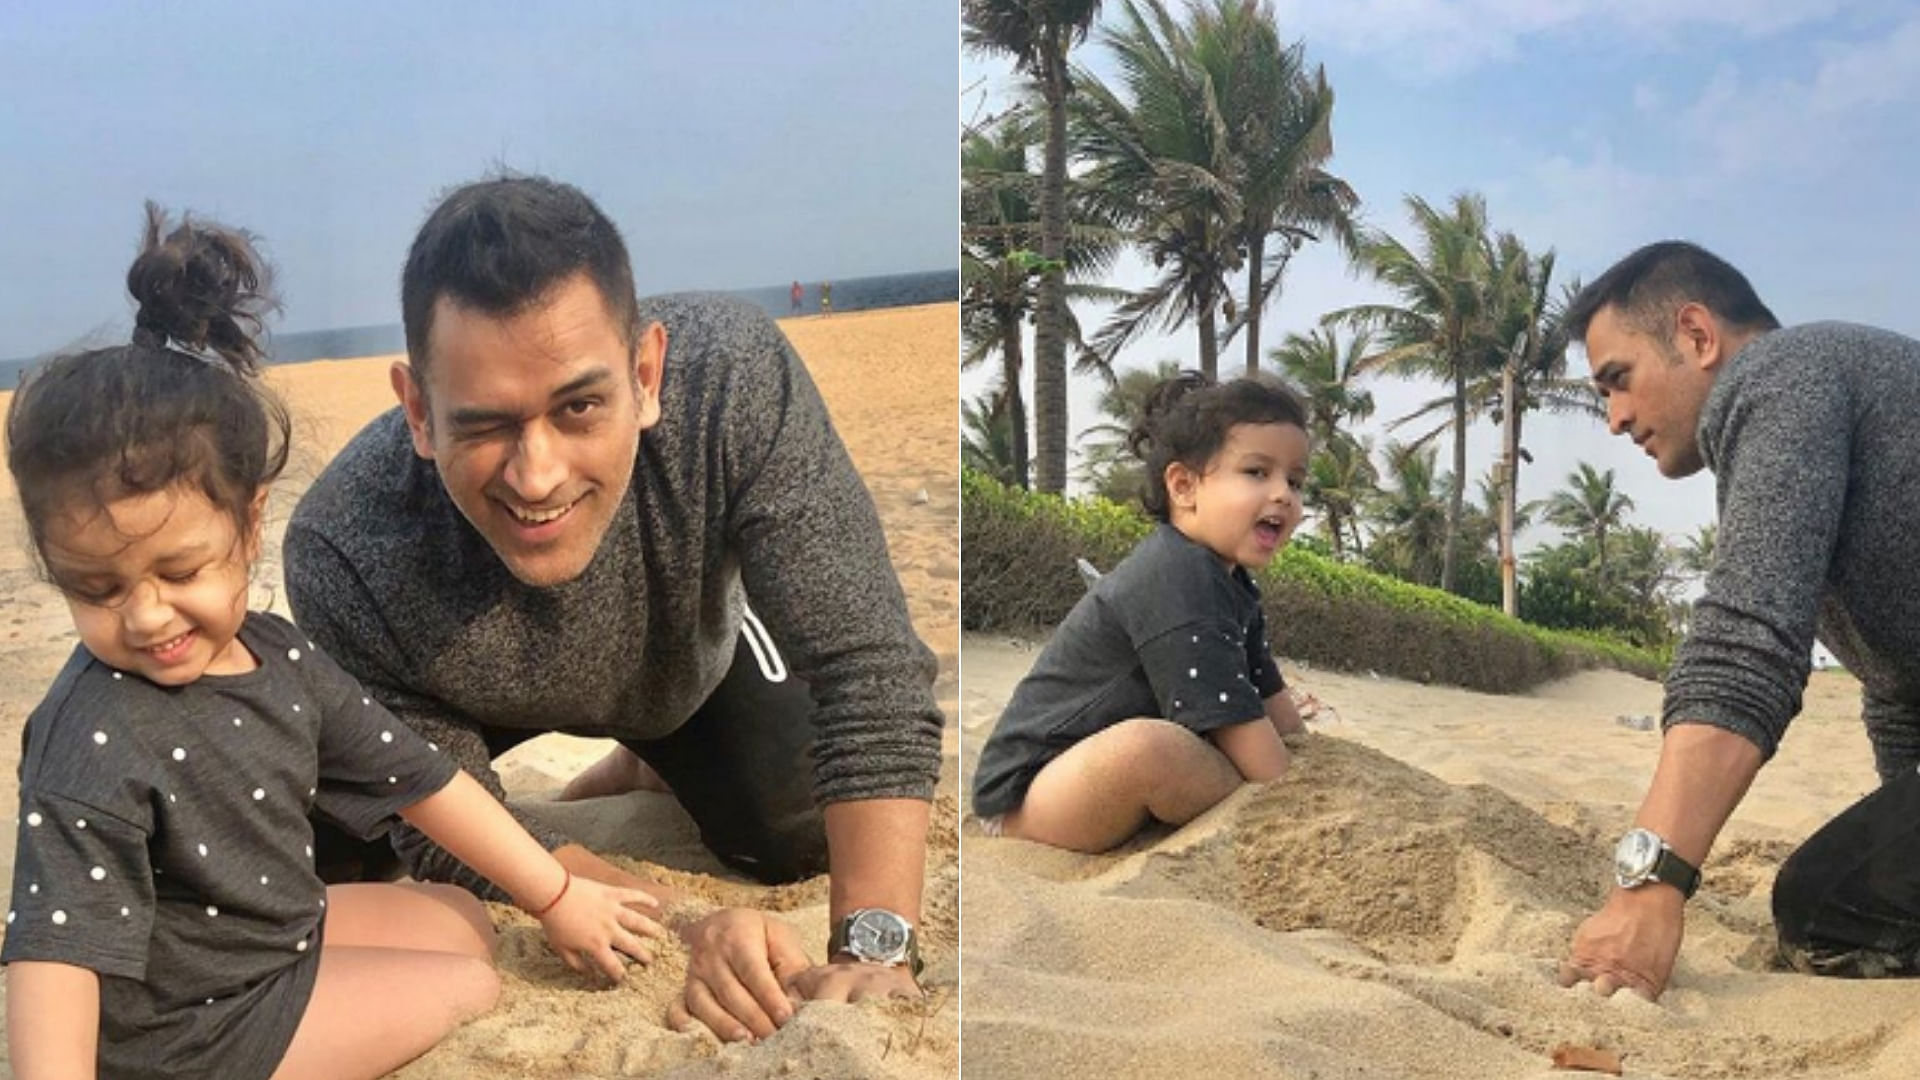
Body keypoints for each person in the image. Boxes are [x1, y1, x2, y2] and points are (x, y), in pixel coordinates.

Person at [2, 206, 665, 1080]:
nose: (148, 615)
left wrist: (557, 894)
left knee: (462, 920)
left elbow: (426, 782)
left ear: (247, 524)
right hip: (187, 1030)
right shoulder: (90, 734)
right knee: (470, 988)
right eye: (98, 587)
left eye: (180, 569)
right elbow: (55, 954)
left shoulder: (278, 659)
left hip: (277, 934)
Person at [281, 175, 943, 1043]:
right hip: (464, 709)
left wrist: (873, 948)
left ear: (646, 373)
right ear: (417, 411)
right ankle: (637, 765)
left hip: (688, 665)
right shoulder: (343, 544)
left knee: (792, 837)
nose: (538, 474)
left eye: (580, 407)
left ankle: (647, 762)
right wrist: (680, 922)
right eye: (483, 426)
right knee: (327, 848)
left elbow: (869, 662)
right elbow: (442, 833)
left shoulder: (731, 380)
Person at [1557, 240, 1920, 999]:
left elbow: (1747, 642)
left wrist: (1648, 888)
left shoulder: (1781, 374)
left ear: (1696, 335)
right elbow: (1896, 682)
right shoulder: (1828, 400)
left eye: (1617, 382)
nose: (1616, 419)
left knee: (1827, 906)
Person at [970, 371, 1310, 852]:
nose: (1283, 494)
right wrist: (1291, 795)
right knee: (1154, 750)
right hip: (1032, 795)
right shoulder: (1175, 574)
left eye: (1295, 481)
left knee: (1198, 748)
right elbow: (1243, 734)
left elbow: (1267, 693)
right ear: (1184, 486)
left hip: (1083, 781)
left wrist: (1307, 756)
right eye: (1257, 472)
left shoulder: (1232, 584)